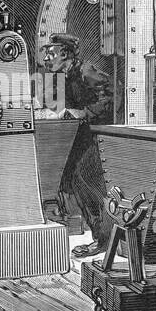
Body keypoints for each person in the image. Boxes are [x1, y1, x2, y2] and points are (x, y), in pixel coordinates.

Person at [39, 33, 114, 259]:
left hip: (98, 133)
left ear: (65, 53)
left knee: (85, 180)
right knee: (70, 179)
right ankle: (96, 235)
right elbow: (57, 104)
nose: (46, 58)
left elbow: (112, 92)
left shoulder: (85, 71)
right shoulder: (63, 75)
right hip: (81, 132)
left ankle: (103, 240)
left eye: (51, 53)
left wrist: (87, 112)